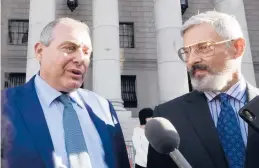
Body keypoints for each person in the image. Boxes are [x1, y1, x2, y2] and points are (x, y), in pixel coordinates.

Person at [1, 17, 130, 168]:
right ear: (40, 51)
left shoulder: (104, 107)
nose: (81, 59)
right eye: (69, 48)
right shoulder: (5, 104)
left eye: (87, 52)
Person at [147, 11, 259, 168]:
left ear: (237, 48)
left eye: (203, 47)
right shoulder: (168, 115)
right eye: (187, 52)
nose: (192, 60)